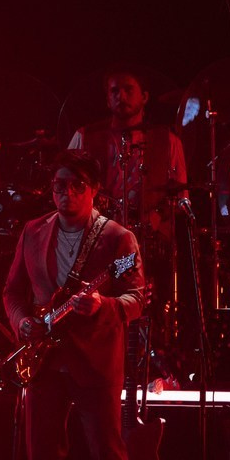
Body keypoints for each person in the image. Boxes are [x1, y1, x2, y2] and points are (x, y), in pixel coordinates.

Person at [1, 151, 151, 460]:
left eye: (75, 186)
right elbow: (12, 292)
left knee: (108, 452)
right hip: (45, 359)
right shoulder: (32, 231)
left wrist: (103, 305)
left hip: (95, 362)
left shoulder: (118, 239)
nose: (64, 193)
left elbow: (137, 297)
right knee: (42, 452)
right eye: (58, 186)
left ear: (94, 190)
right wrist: (23, 322)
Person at [68, 67, 188, 346]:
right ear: (106, 99)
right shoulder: (85, 136)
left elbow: (181, 201)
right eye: (114, 91)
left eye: (127, 89)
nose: (120, 96)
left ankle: (153, 354)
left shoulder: (168, 141)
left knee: (142, 308)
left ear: (145, 97)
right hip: (98, 245)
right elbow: (68, 188)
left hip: (149, 248)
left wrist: (157, 218)